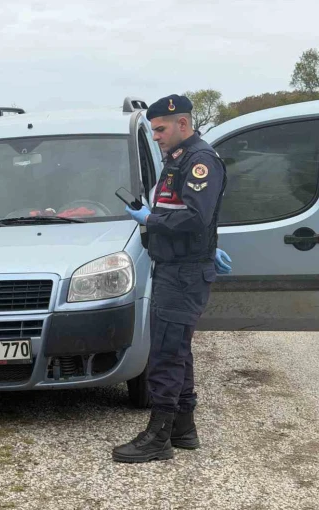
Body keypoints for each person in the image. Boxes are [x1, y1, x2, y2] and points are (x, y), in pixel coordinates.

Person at [112, 94, 232, 463]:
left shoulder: (199, 161)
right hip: (176, 267)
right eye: (154, 130)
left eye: (161, 129)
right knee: (177, 349)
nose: (157, 136)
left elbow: (196, 218)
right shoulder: (177, 159)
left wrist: (150, 220)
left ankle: (158, 437)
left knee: (165, 352)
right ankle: (183, 429)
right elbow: (188, 216)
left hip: (183, 274)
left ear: (183, 124)